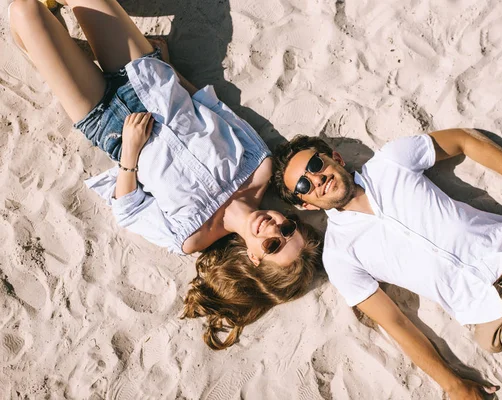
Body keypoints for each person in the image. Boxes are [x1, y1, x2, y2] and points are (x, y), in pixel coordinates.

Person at [8, 0, 322, 349]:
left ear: (254, 258)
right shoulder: (259, 164)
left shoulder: (190, 237)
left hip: (105, 120)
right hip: (148, 78)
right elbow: (207, 103)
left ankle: (39, 39)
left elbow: (129, 208)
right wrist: (168, 69)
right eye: (288, 227)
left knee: (25, 10)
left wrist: (129, 152)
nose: (274, 228)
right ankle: (47, 41)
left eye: (273, 245)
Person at [272, 129, 502, 398]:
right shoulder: (340, 256)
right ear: (306, 203)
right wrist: (451, 383)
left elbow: (463, 140)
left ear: (335, 158)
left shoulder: (391, 162)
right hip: (501, 317)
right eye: (304, 184)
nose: (316, 179)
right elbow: (395, 324)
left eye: (315, 165)